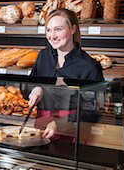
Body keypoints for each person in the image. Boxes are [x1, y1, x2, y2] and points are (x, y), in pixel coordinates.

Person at [27, 8, 104, 138]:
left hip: (70, 131)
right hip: (41, 125)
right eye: (48, 30)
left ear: (73, 29)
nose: (52, 36)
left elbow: (93, 111)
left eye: (58, 29)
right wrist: (36, 89)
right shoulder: (43, 56)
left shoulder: (89, 66)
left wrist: (59, 123)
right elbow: (29, 84)